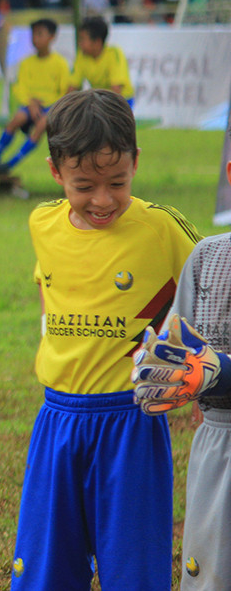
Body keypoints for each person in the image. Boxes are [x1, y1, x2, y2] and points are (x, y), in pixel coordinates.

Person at [11, 89, 201, 591]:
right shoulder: (43, 224)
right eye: (84, 185)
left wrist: (206, 378)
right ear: (56, 172)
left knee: (134, 573)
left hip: (131, 423)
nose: (102, 199)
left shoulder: (160, 228)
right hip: (57, 420)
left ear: (136, 162)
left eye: (116, 182)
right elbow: (48, 291)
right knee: (44, 571)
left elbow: (214, 284)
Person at [130, 226, 231, 589]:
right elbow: (177, 345)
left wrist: (223, 372)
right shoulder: (208, 256)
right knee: (210, 579)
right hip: (219, 444)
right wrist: (162, 370)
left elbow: (216, 370)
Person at [0, 19, 69, 173]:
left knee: (41, 126)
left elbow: (64, 91)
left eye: (40, 34)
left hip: (50, 108)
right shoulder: (26, 63)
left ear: (52, 37)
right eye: (33, 34)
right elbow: (20, 87)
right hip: (30, 105)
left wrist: (50, 106)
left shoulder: (60, 63)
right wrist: (30, 103)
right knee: (17, 119)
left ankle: (11, 164)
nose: (35, 39)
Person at [69, 17, 134, 105]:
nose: (80, 43)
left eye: (83, 39)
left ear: (97, 42)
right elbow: (73, 87)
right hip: (99, 100)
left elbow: (116, 89)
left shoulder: (114, 53)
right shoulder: (81, 55)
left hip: (122, 100)